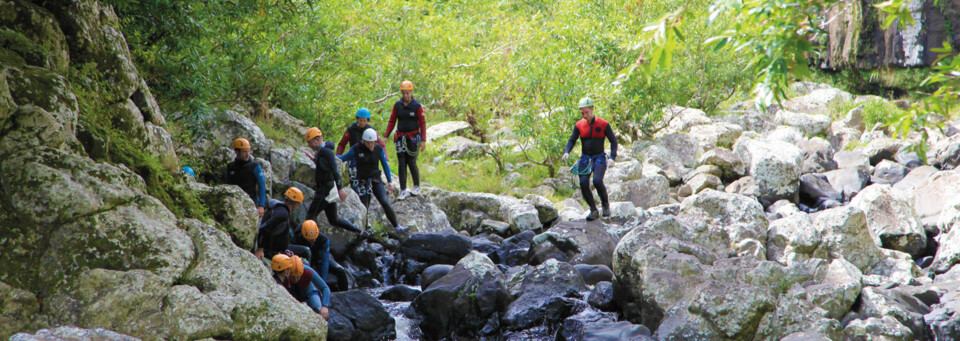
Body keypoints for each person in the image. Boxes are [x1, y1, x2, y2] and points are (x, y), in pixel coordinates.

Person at [301, 127, 368, 238]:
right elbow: (323, 165)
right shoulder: (322, 151)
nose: (309, 145)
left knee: (310, 216)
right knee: (333, 220)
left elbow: (334, 170)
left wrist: (340, 188)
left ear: (317, 140)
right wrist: (313, 158)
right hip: (327, 190)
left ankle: (312, 240)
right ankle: (360, 232)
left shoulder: (326, 152)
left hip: (325, 190)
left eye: (310, 143)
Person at [337, 128, 408, 232]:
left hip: (375, 179)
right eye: (368, 143)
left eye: (373, 143)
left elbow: (384, 164)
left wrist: (389, 181)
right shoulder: (356, 149)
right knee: (364, 208)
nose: (371, 145)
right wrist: (325, 156)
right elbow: (343, 158)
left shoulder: (378, 149)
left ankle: (397, 226)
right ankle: (364, 232)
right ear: (364, 141)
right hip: (362, 182)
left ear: (375, 141)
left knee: (384, 201)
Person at [562, 97, 618, 221]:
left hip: (599, 157)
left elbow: (613, 141)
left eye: (586, 112)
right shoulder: (579, 125)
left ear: (592, 109)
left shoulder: (603, 124)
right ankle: (593, 210)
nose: (584, 115)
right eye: (582, 113)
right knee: (583, 183)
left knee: (597, 181)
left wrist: (612, 157)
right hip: (585, 158)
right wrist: (567, 152)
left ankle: (605, 205)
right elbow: (572, 140)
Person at [384, 80, 426, 201]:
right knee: (401, 163)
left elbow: (422, 123)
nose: (405, 95)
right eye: (403, 93)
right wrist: (386, 135)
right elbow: (392, 120)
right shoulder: (398, 106)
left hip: (413, 138)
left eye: (407, 93)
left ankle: (416, 186)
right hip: (400, 137)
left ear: (411, 92)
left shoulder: (417, 107)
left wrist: (423, 140)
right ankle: (403, 190)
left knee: (411, 161)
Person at [336, 108, 386, 195]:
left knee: (367, 188)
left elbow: (380, 145)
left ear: (368, 120)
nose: (362, 123)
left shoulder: (372, 131)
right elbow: (342, 144)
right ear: (357, 119)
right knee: (355, 186)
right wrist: (338, 158)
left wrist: (386, 159)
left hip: (368, 161)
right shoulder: (351, 130)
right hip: (354, 161)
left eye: (364, 120)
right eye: (360, 120)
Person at [271, 253, 330, 320]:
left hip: (310, 294)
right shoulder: (284, 275)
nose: (296, 279)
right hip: (292, 297)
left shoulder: (307, 271)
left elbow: (325, 287)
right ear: (288, 271)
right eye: (292, 277)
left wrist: (325, 306)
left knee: (318, 309)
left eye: (298, 276)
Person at [254, 187, 303, 259]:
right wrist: (260, 249)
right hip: (271, 253)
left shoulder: (280, 208)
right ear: (295, 204)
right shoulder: (282, 214)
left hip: (278, 251)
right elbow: (263, 229)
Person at [225, 138, 267, 218]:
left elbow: (262, 185)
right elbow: (228, 185)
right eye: (244, 152)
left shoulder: (254, 166)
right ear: (237, 152)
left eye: (248, 151)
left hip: (252, 203)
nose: (247, 154)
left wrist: (261, 205)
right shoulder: (231, 167)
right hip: (236, 203)